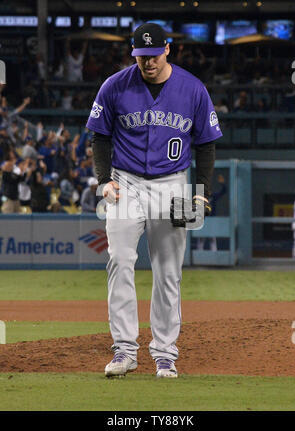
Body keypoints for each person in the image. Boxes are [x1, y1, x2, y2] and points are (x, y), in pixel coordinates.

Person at [86, 23, 222, 378]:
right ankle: (124, 351)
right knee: (119, 260)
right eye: (140, 56)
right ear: (135, 54)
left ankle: (164, 353)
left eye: (153, 54)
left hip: (173, 185)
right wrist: (104, 181)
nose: (147, 62)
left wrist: (201, 188)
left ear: (168, 49)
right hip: (125, 182)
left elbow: (206, 143)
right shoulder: (115, 86)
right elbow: (99, 138)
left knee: (168, 272)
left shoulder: (193, 88)